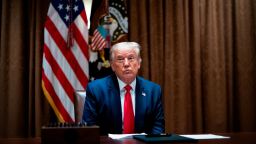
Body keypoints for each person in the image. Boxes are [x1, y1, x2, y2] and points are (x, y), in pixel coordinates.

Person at [83, 42, 165, 135]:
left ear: (138, 63)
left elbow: (158, 127)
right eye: (120, 59)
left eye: (131, 58)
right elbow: (90, 127)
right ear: (112, 65)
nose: (126, 64)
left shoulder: (153, 90)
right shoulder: (96, 89)